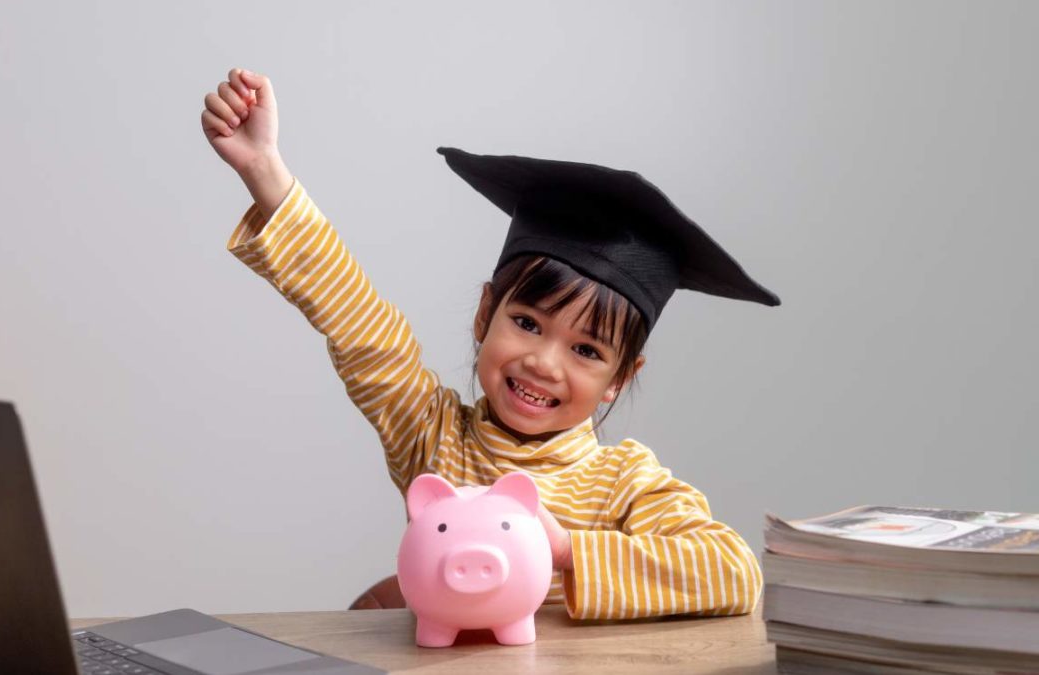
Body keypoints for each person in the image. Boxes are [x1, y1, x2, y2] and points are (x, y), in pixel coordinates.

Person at [201, 67, 780, 620]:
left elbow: (733, 572)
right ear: (485, 314)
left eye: (586, 350)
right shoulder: (433, 434)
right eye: (527, 323)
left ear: (620, 379)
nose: (543, 362)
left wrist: (566, 551)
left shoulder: (624, 482)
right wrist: (264, 168)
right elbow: (360, 326)